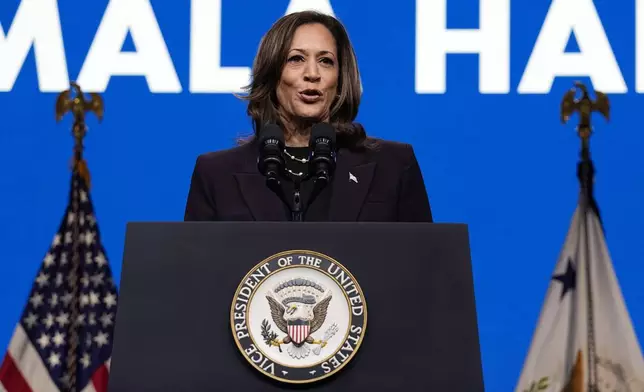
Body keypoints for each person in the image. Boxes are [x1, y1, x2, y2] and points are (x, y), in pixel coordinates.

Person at [184, 11, 432, 222]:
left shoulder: (393, 166)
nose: (312, 73)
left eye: (326, 61)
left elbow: (425, 267)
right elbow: (197, 273)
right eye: (296, 59)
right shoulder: (217, 175)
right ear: (272, 73)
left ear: (340, 78)